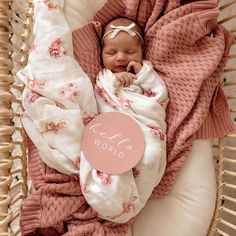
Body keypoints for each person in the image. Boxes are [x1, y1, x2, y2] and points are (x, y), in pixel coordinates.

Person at [80, 18, 168, 223]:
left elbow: (160, 96)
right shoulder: (104, 77)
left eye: (130, 52)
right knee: (109, 158)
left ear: (142, 52)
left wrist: (142, 76)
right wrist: (114, 83)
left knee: (151, 155)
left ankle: (135, 199)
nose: (120, 58)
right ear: (101, 54)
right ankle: (109, 197)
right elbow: (99, 98)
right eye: (111, 53)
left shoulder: (146, 73)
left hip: (143, 125)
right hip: (114, 129)